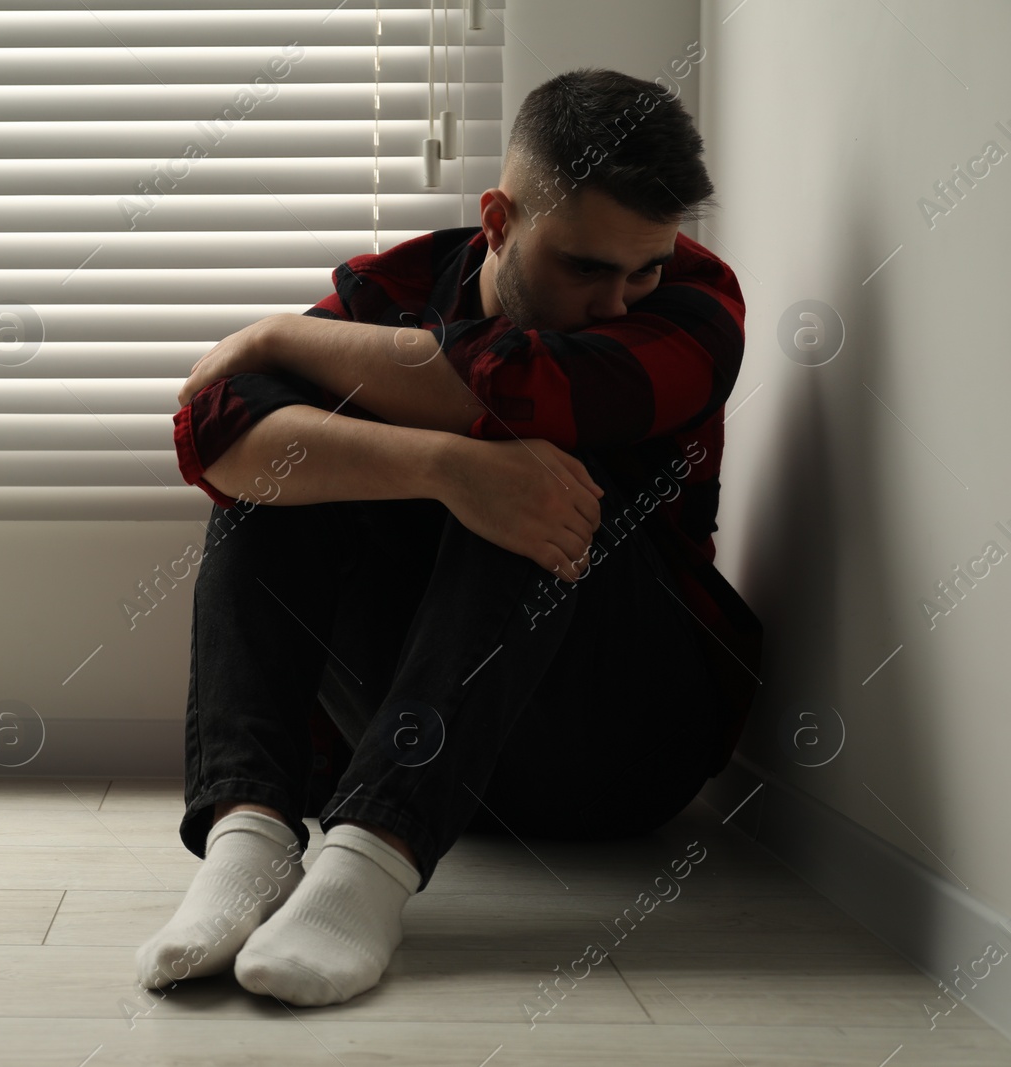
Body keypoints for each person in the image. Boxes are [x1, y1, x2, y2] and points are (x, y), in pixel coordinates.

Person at [137, 67, 765, 1007]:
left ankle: (366, 872)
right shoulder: (395, 290)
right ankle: (250, 842)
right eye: (587, 267)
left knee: (539, 468)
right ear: (499, 222)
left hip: (620, 742)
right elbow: (217, 436)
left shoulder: (700, 308)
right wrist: (440, 467)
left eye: (646, 267)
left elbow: (538, 390)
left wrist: (277, 333)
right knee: (290, 478)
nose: (621, 304)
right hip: (429, 749)